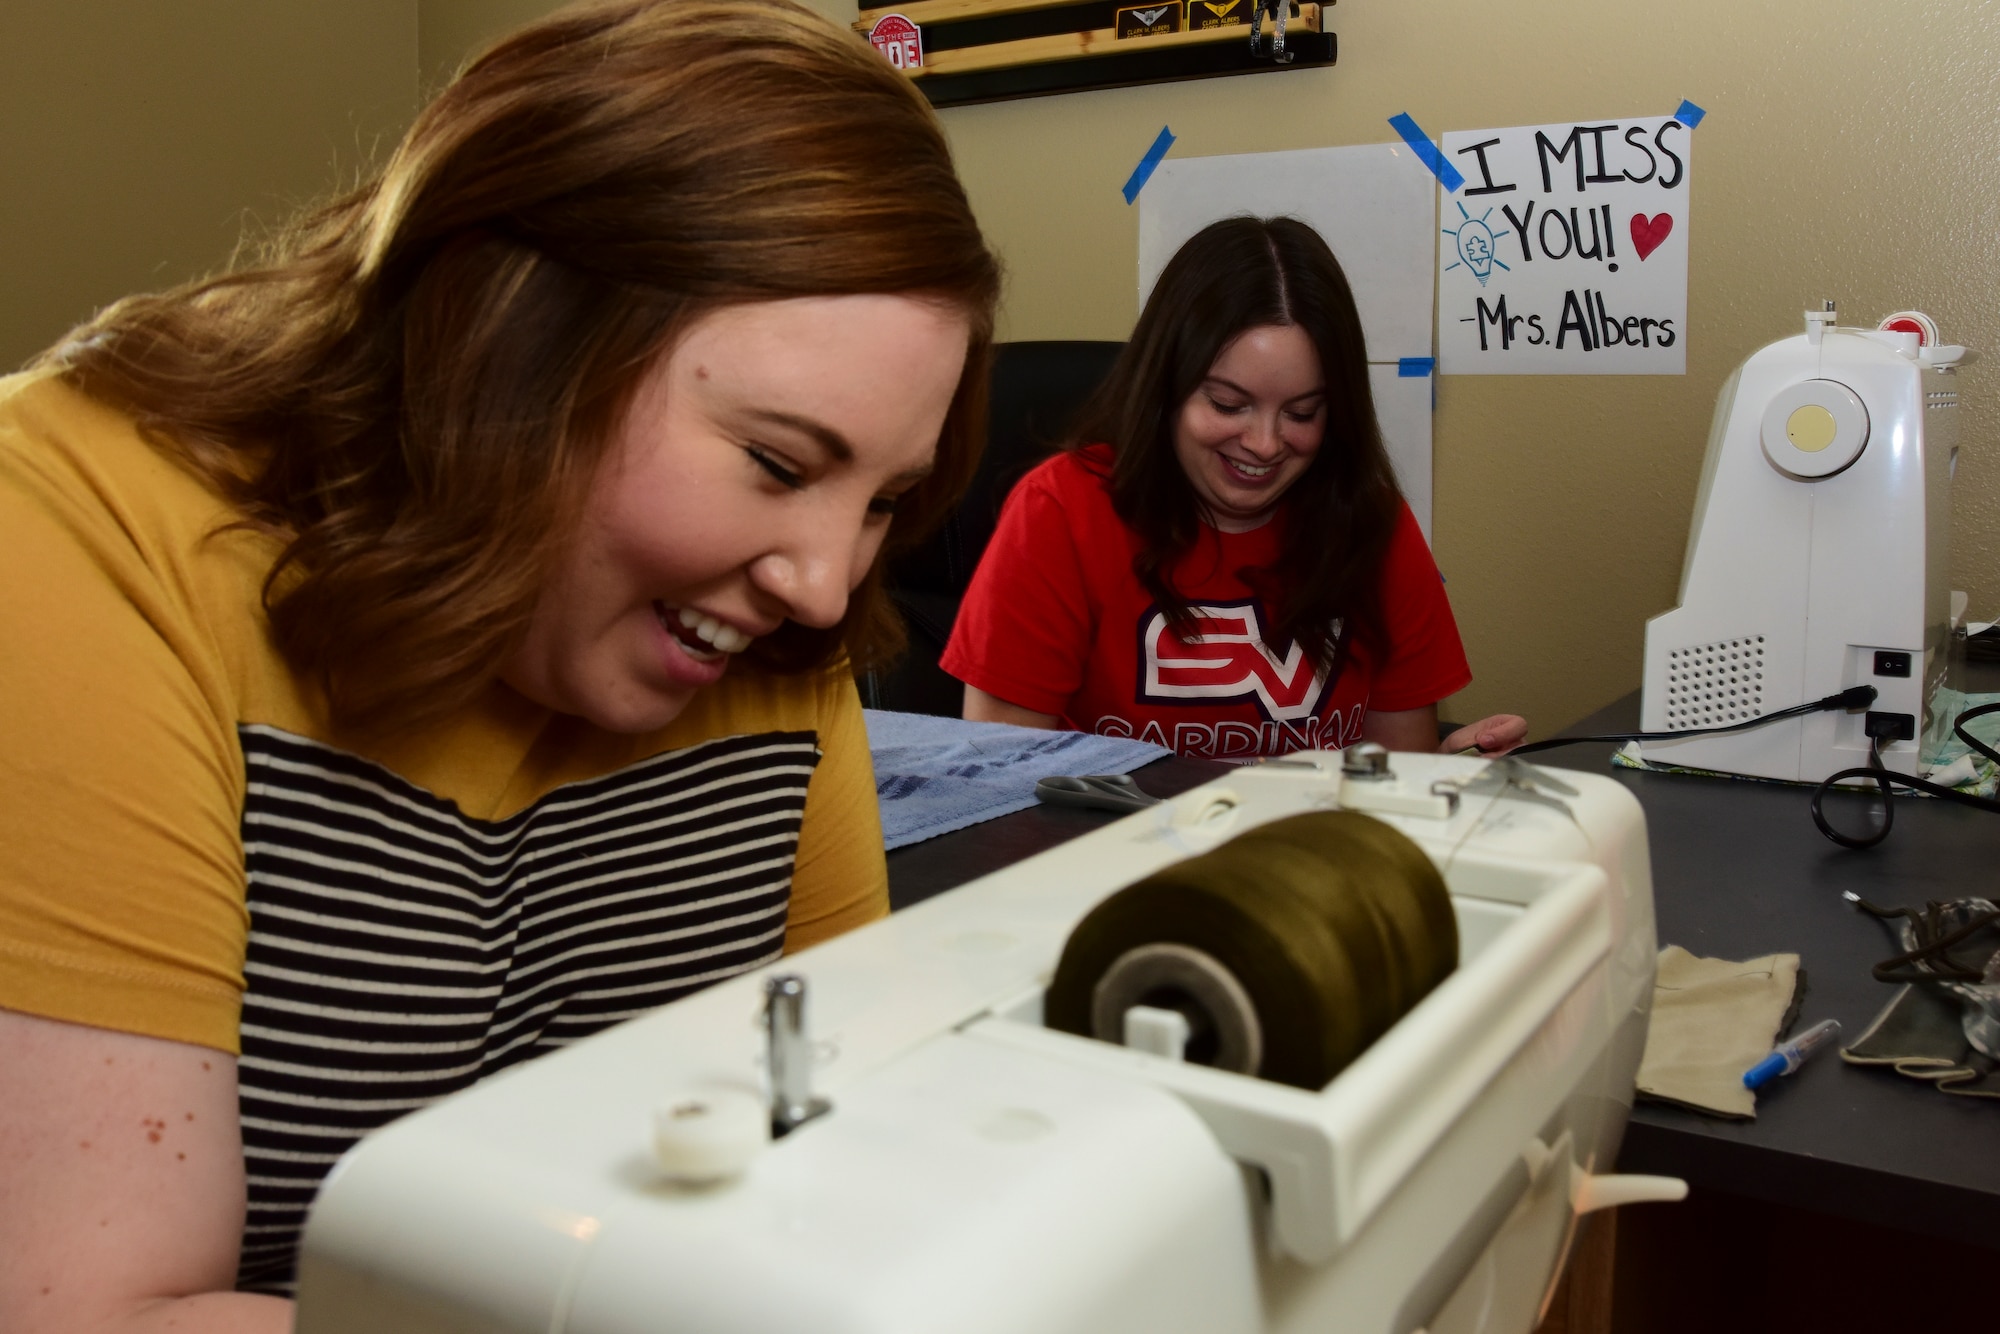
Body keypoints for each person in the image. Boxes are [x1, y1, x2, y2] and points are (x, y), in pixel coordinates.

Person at [0, 2, 999, 1329]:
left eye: (883, 499)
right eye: (777, 462)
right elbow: (88, 1312)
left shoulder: (765, 612)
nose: (826, 581)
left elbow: (841, 1144)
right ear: (505, 344)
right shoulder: (76, 522)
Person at [941, 216, 1523, 761]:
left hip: (1311, 858)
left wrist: (1445, 784)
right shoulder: (1060, 511)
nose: (1265, 444)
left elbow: (1396, 775)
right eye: (1227, 404)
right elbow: (1000, 785)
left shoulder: (1371, 520)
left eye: (1302, 413)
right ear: (1166, 389)